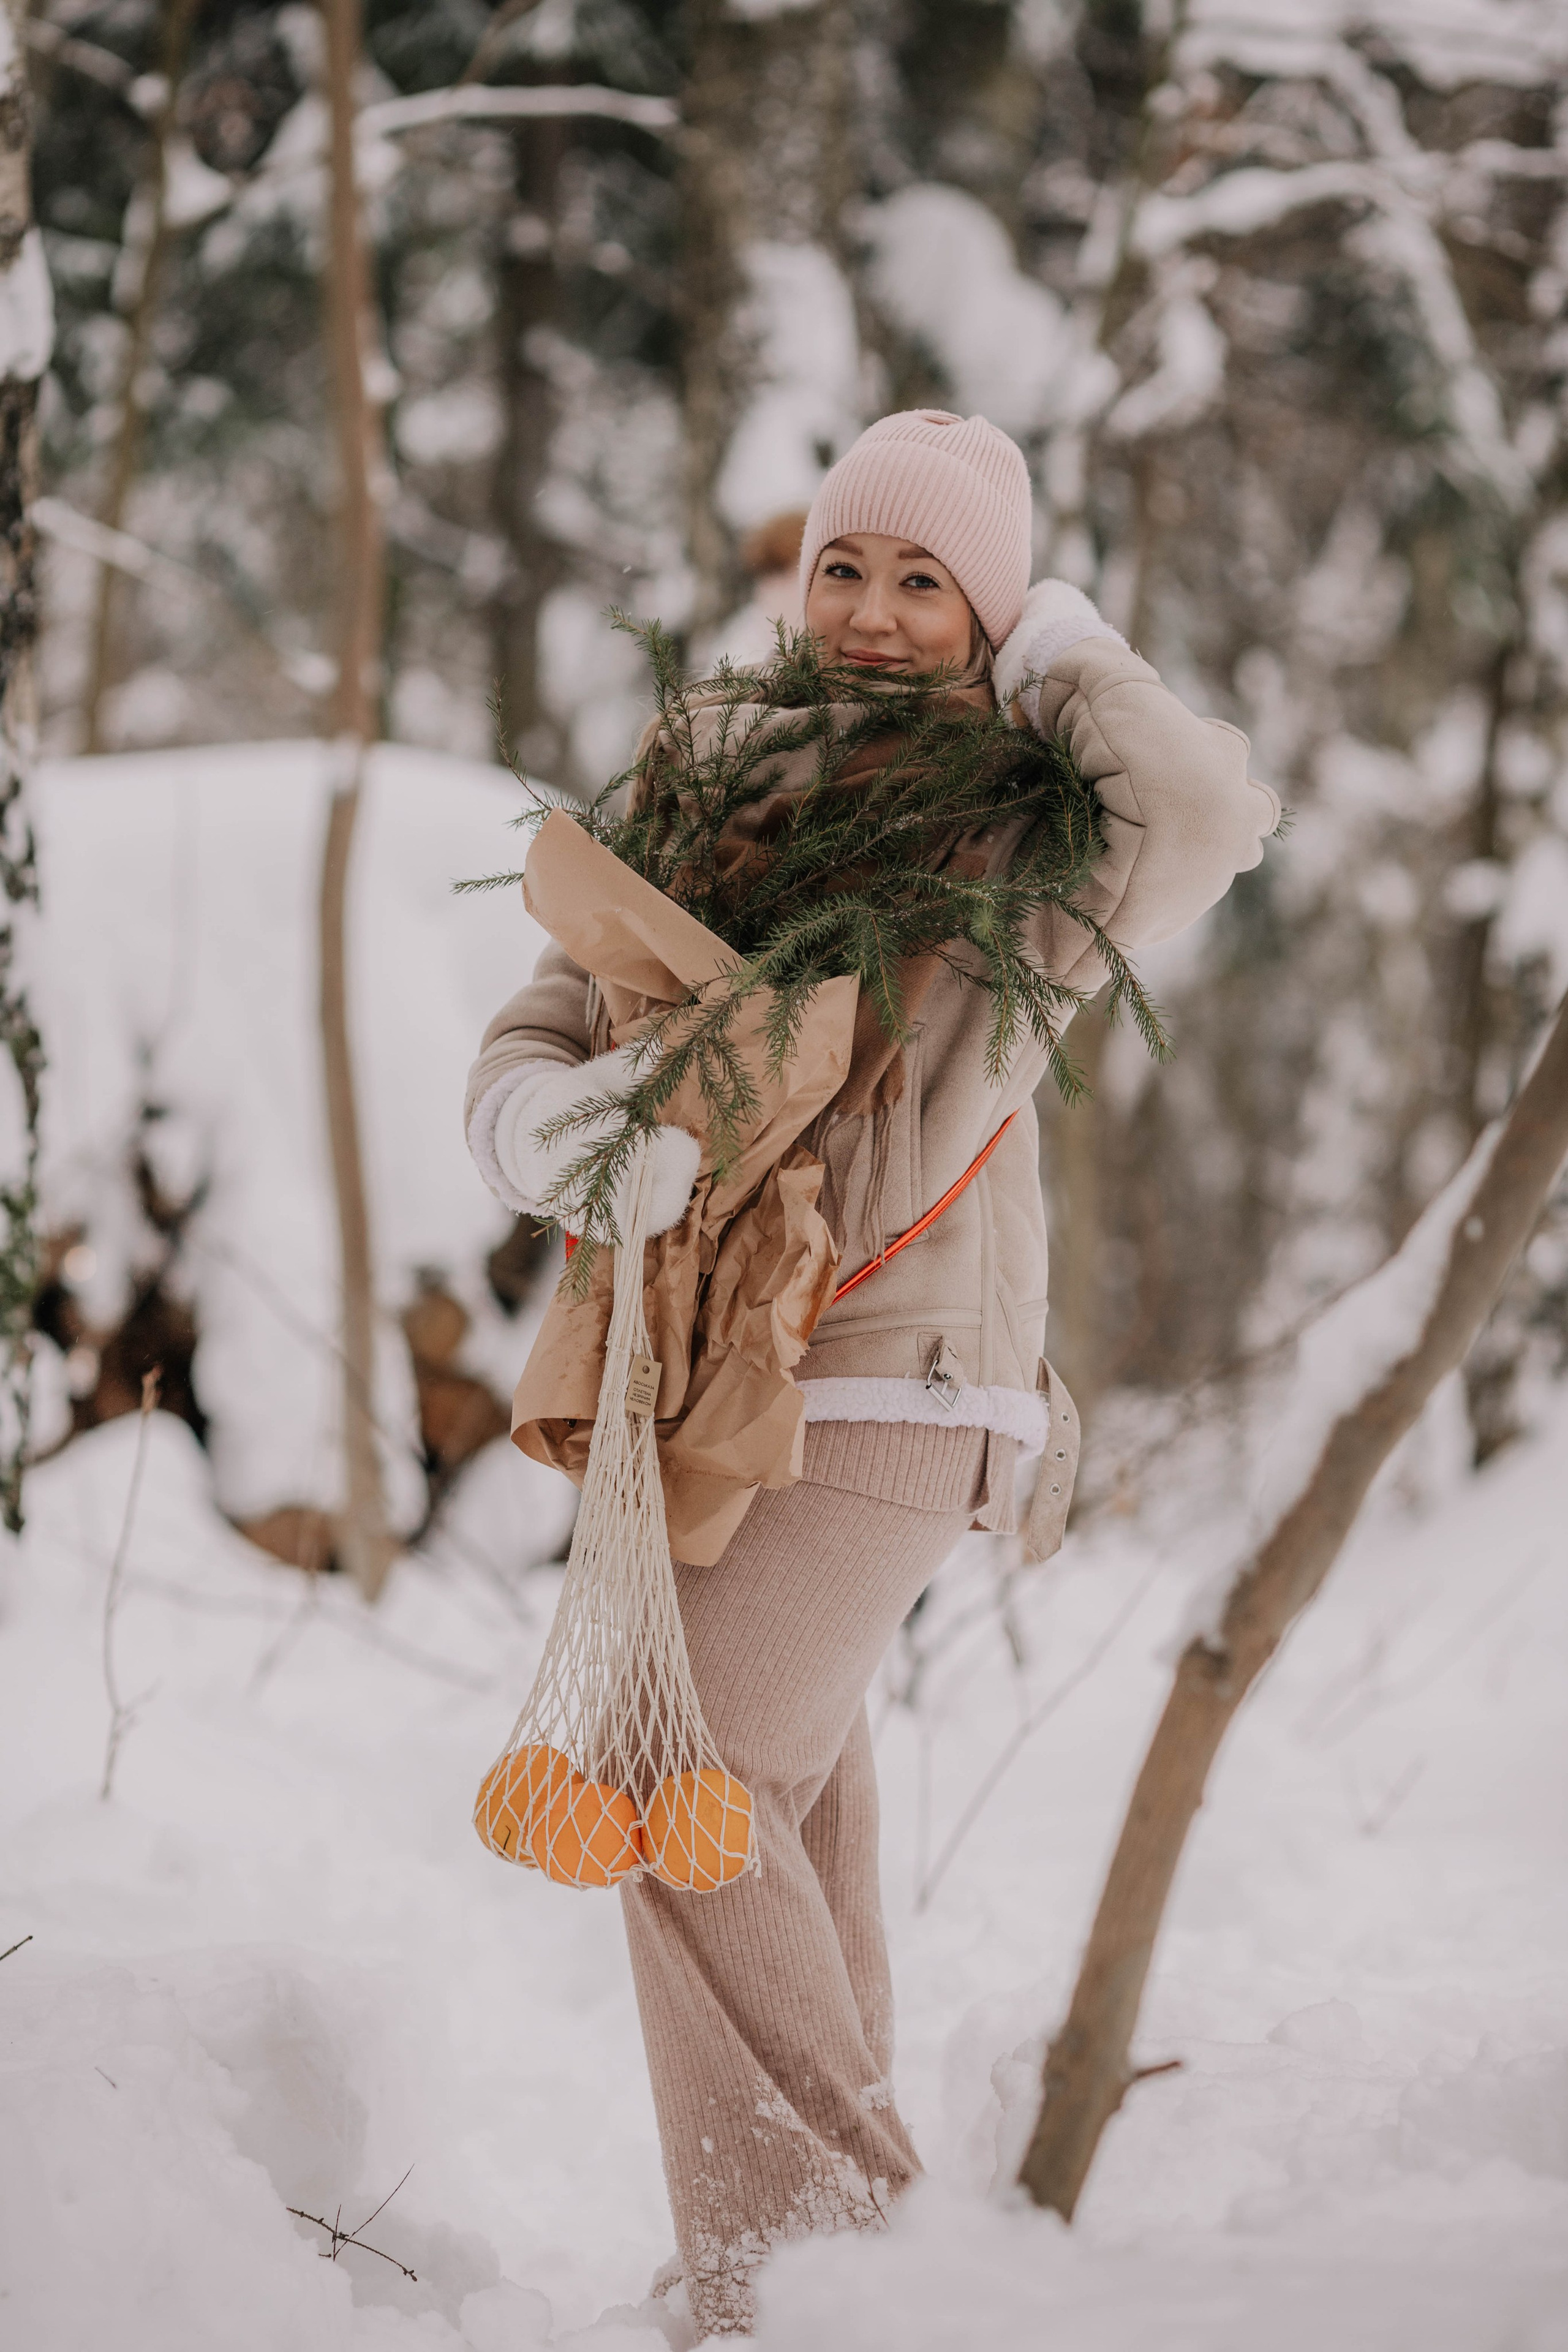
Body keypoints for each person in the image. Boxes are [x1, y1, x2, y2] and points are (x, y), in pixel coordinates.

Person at [464, 409, 1280, 2338]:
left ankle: (813, 2274)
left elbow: (1211, 807)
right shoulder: (706, 767)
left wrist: (1055, 641)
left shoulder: (1031, 817)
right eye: (849, 566)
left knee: (686, 1770)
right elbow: (555, 997)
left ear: (991, 611)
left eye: (932, 581)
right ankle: (825, 2280)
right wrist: (544, 1123)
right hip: (706, 1373)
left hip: (901, 1383)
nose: (879, 612)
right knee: (788, 1808)